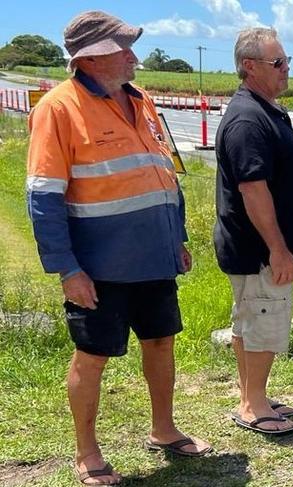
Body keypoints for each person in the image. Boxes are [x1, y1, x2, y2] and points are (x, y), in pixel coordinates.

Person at [26, 11, 212, 486]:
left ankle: (164, 430)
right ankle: (87, 454)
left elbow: (165, 174)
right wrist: (68, 269)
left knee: (161, 340)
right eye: (122, 48)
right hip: (99, 266)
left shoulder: (142, 101)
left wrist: (179, 238)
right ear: (91, 57)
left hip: (154, 257)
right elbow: (43, 197)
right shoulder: (58, 108)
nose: (133, 56)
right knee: (93, 354)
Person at [214, 27, 293, 434]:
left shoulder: (261, 108)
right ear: (249, 67)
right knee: (264, 321)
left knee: (251, 321)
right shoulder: (247, 119)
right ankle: (254, 406)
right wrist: (278, 248)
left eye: (286, 60)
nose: (285, 68)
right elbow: (253, 190)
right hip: (258, 249)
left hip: (256, 247)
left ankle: (252, 395)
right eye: (278, 63)